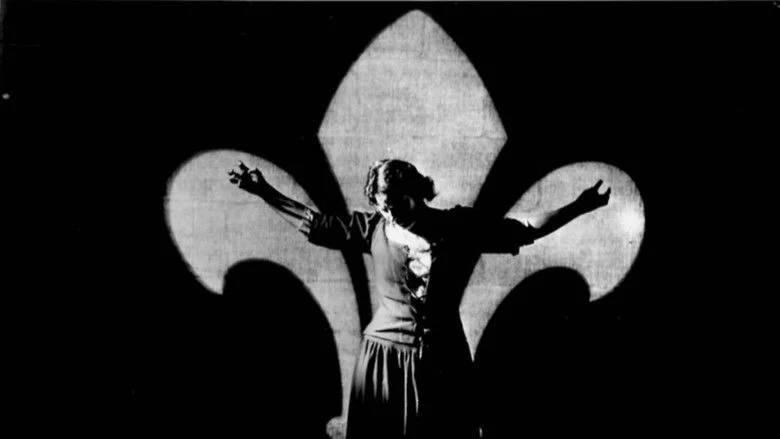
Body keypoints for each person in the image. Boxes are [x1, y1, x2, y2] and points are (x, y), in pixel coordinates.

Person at [228, 159, 610, 439]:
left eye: (395, 203)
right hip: (383, 361)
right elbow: (315, 225)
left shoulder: (456, 226)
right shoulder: (372, 228)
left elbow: (522, 229)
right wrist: (263, 190)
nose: (389, 213)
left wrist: (579, 206)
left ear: (415, 193)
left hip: (444, 361)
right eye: (382, 206)